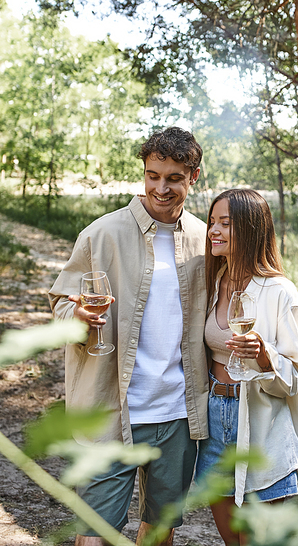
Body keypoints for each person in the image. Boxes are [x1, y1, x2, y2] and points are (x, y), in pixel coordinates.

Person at [49, 127, 208, 546]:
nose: (161, 187)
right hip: (110, 410)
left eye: (174, 178)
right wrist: (78, 316)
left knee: (159, 529)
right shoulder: (101, 234)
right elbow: (61, 303)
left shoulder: (202, 240)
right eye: (153, 175)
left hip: (178, 412)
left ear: (193, 177)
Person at [196, 188, 298, 546]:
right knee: (231, 537)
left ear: (249, 230)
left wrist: (264, 356)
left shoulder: (280, 292)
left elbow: (293, 377)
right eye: (212, 222)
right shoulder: (215, 282)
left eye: (225, 224)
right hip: (215, 415)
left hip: (261, 423)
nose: (213, 231)